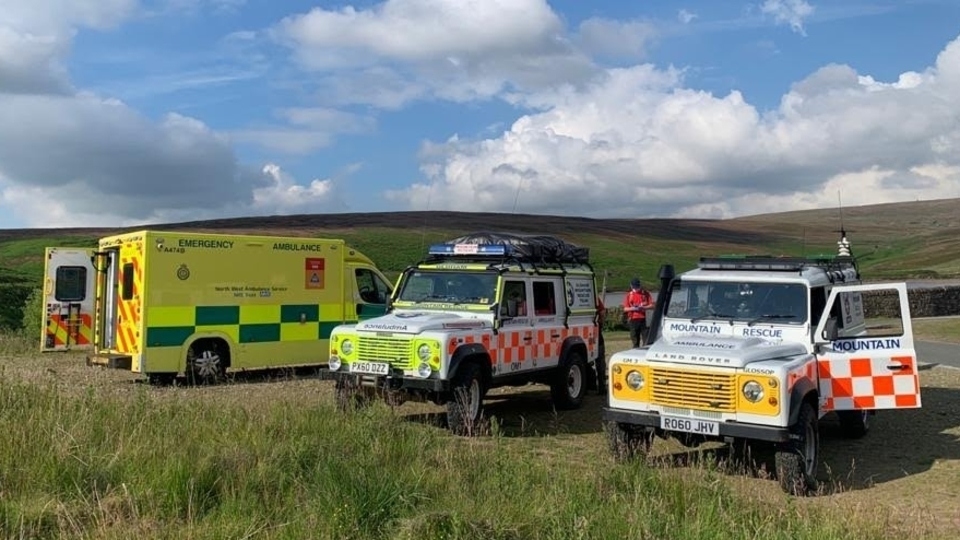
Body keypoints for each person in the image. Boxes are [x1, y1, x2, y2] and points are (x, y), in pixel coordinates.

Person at [623, 277, 654, 347]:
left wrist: (644, 307)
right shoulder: (629, 295)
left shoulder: (645, 294)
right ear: (631, 286)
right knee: (635, 339)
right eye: (635, 287)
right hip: (633, 319)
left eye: (637, 286)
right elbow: (625, 309)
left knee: (646, 339)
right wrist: (633, 308)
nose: (636, 288)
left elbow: (652, 305)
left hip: (644, 319)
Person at [594, 296, 608, 395]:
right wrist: (600, 324)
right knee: (600, 361)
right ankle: (602, 386)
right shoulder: (594, 297)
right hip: (595, 331)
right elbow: (602, 312)